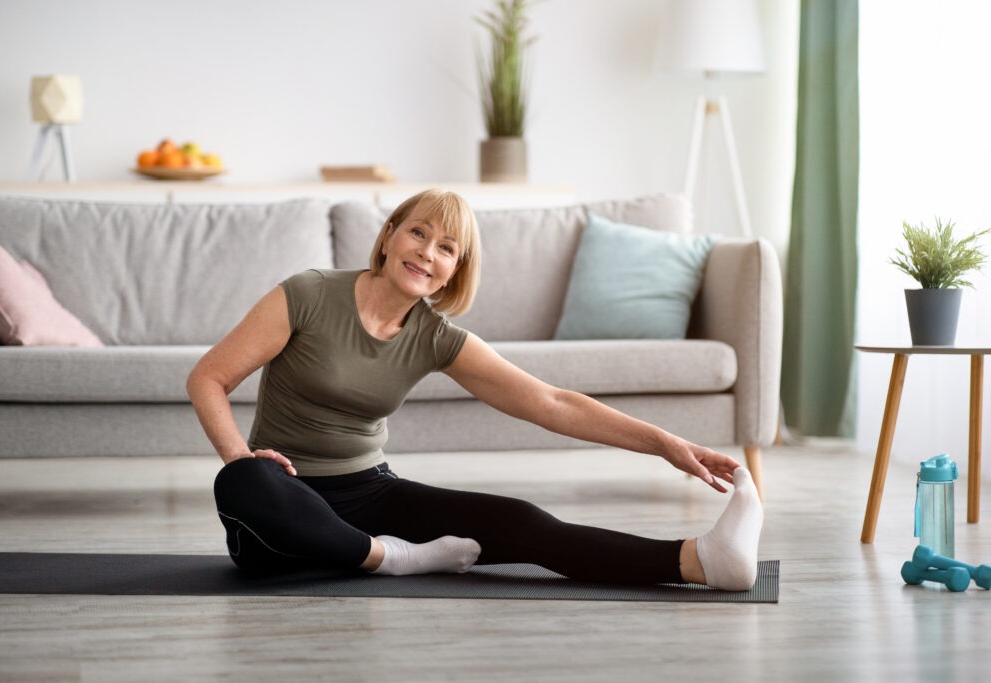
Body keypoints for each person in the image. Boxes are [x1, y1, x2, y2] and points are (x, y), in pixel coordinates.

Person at [187, 188, 763, 590]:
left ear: (453, 271)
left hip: (369, 497)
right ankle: (392, 559)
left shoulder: (435, 337)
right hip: (282, 501)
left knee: (522, 520)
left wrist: (665, 444)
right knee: (242, 480)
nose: (426, 253)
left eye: (446, 249)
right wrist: (242, 455)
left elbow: (551, 402)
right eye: (418, 232)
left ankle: (703, 560)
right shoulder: (307, 295)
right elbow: (208, 377)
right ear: (388, 237)